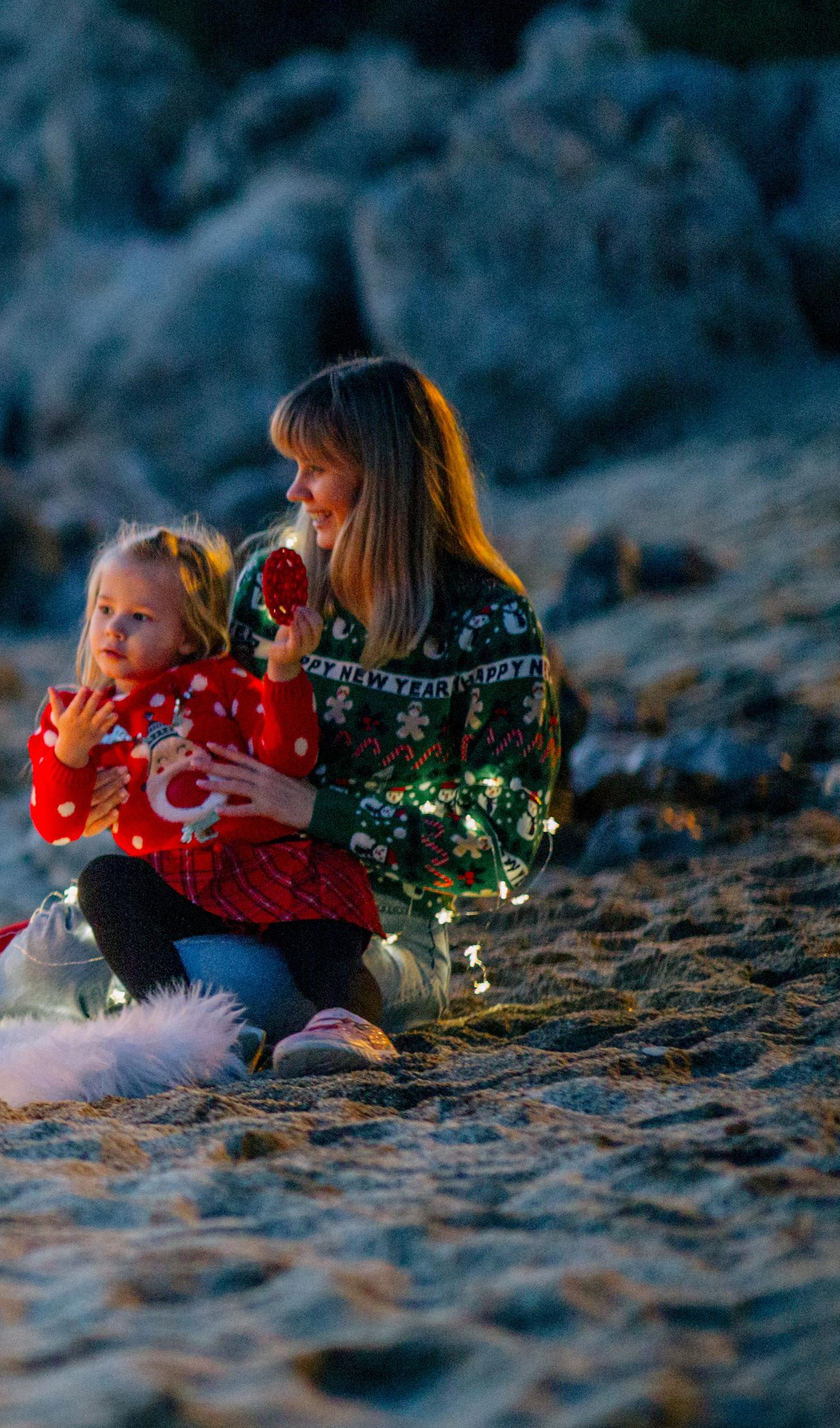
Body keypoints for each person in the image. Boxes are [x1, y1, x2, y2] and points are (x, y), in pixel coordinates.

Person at [179, 356, 560, 1072]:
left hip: (384, 931)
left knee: (222, 986)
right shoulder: (268, 580)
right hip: (243, 893)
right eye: (294, 466)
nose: (294, 490)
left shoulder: (489, 622)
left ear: (386, 476)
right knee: (83, 928)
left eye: (316, 467)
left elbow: (505, 845)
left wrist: (318, 809)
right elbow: (217, 738)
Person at [32, 522, 385, 1073]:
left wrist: (284, 671)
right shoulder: (79, 716)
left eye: (140, 617)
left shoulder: (218, 683)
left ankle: (349, 1023)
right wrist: (70, 756)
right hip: (177, 884)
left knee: (324, 920)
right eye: (105, 610)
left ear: (188, 636)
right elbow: (59, 823)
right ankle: (187, 1025)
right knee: (103, 882)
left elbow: (288, 758)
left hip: (262, 864)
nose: (115, 629)